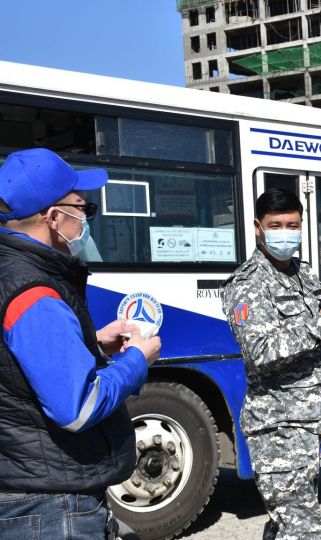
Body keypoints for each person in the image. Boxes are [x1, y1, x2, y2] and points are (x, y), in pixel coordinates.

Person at [0, 148, 161, 538]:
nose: (87, 219)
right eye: (82, 209)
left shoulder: (12, 269)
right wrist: (138, 359)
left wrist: (92, 344)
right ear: (54, 217)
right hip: (52, 505)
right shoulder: (33, 293)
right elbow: (77, 407)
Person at [221, 188, 321, 540]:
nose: (285, 232)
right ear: (257, 228)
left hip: (306, 423)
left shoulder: (303, 273)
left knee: (286, 524)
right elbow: (260, 353)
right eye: (275, 225)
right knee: (303, 529)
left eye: (292, 224)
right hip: (278, 427)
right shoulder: (247, 284)